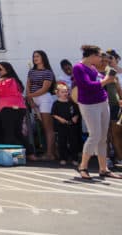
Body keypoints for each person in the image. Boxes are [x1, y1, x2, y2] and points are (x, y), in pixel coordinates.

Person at [72, 45, 121, 180]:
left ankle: (103, 169)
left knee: (103, 137)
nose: (101, 58)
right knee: (94, 135)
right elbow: (86, 85)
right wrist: (106, 80)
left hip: (102, 102)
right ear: (92, 55)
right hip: (89, 105)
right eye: (99, 56)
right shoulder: (78, 68)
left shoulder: (93, 68)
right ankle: (83, 167)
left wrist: (109, 73)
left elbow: (98, 79)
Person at [0, 61, 29, 149]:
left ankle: (11, 154)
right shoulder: (15, 80)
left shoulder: (3, 80)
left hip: (7, 108)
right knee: (18, 132)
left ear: (7, 70)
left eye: (0, 69)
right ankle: (30, 153)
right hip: (20, 108)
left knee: (9, 132)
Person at [26, 50, 57, 161]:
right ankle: (49, 151)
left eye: (37, 56)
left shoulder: (48, 72)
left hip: (44, 99)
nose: (35, 58)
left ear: (43, 57)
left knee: (48, 127)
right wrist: (30, 99)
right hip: (33, 99)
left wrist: (30, 95)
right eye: (34, 56)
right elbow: (28, 85)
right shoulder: (31, 71)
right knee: (41, 126)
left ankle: (50, 153)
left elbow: (44, 89)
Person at [51, 83, 81, 165]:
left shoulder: (72, 103)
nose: (65, 93)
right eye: (62, 92)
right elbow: (53, 114)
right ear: (57, 93)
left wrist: (76, 117)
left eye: (66, 91)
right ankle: (63, 158)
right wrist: (60, 119)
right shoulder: (56, 103)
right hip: (61, 126)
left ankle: (75, 159)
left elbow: (77, 112)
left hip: (72, 125)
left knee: (73, 142)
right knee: (62, 142)